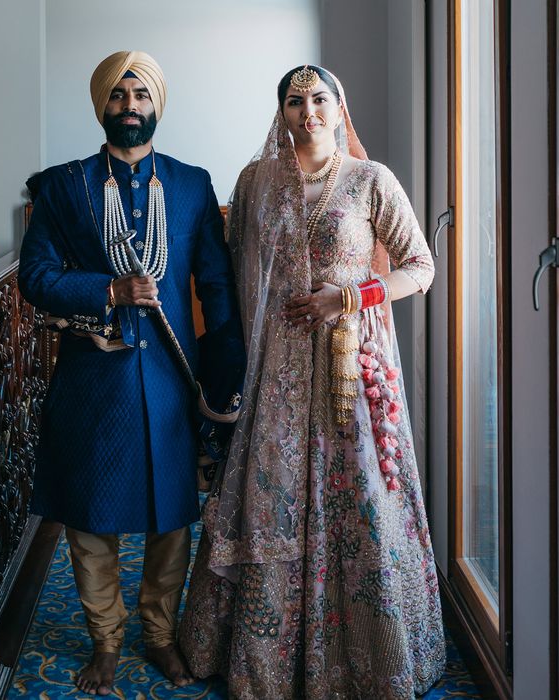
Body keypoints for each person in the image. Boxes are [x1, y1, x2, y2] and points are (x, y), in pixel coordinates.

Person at [178, 64, 446, 699]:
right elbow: (236, 273)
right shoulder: (255, 183)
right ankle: (262, 661)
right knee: (269, 494)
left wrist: (351, 296)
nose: (308, 111)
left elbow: (421, 266)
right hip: (275, 370)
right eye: (295, 101)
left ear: (338, 105)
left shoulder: (371, 181)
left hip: (346, 367)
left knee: (357, 496)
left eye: (319, 98)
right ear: (282, 113)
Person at [18, 50, 243, 696]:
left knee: (172, 515)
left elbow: (217, 284)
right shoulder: (63, 187)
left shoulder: (193, 185)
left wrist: (225, 365)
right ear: (102, 106)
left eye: (140, 95)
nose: (130, 107)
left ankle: (161, 633)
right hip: (95, 381)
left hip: (173, 380)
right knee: (92, 518)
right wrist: (110, 289)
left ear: (156, 105)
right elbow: (37, 278)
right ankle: (106, 642)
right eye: (118, 97)